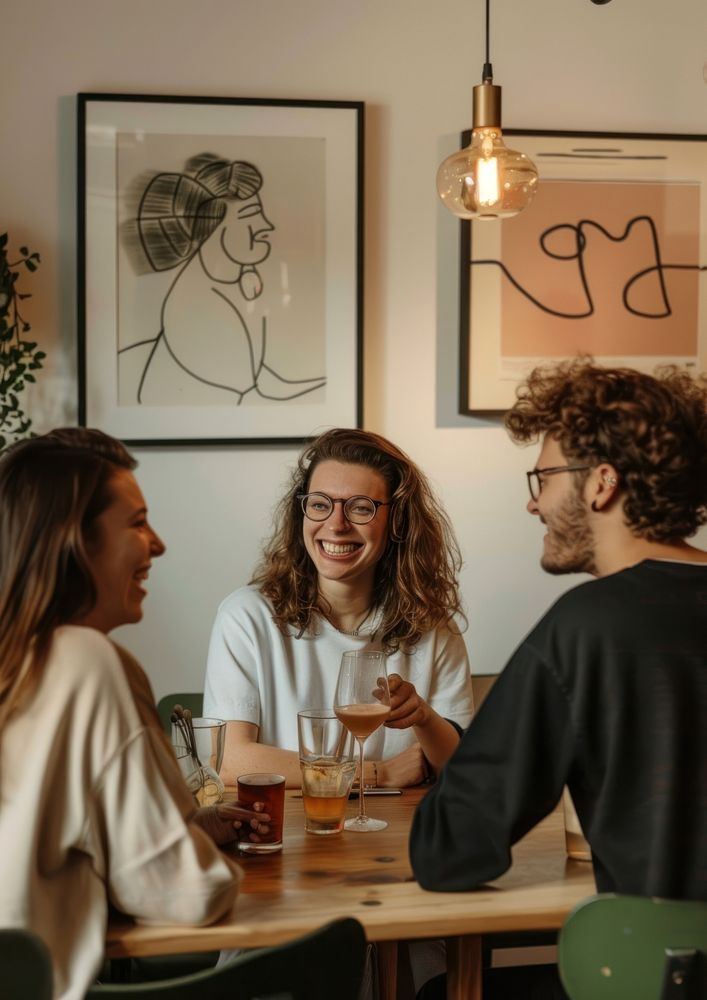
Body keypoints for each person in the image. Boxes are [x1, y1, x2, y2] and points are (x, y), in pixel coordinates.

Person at [410, 359, 707, 996]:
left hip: (659, 980)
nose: (532, 500)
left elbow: (451, 849)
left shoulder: (585, 628)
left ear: (602, 483)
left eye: (543, 476)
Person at [0, 428, 267, 1000]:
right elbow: (185, 894)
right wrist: (193, 856)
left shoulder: (18, 662)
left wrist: (184, 829)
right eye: (138, 522)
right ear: (75, 540)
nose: (159, 544)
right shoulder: (89, 662)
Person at [204, 427, 474, 790]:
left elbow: (464, 770)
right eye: (320, 504)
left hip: (399, 837)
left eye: (361, 508)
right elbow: (227, 761)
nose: (335, 524)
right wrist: (376, 774)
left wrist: (425, 718)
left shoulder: (435, 628)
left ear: (397, 521)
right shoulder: (246, 616)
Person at [119, 153, 326, 405]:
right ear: (214, 226)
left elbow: (257, 377)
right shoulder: (198, 305)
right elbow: (252, 395)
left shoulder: (239, 284)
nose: (266, 225)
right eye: (251, 214)